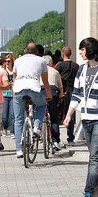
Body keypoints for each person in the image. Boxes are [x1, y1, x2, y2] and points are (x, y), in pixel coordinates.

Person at [63, 37, 98, 197]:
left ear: (90, 50)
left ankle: (89, 191)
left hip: (97, 119)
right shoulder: (81, 70)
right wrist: (69, 115)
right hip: (85, 119)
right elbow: (76, 95)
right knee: (94, 156)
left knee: (94, 158)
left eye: (82, 49)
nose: (80, 52)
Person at [13, 43, 52, 158]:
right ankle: (36, 126)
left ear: (25, 51)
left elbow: (15, 78)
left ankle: (19, 150)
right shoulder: (41, 61)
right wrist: (48, 94)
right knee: (41, 105)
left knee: (18, 119)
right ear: (37, 52)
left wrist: (13, 93)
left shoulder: (18, 61)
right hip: (33, 89)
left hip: (18, 90)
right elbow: (45, 81)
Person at [55, 46, 79, 146]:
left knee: (58, 113)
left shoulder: (59, 66)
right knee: (71, 114)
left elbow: (55, 77)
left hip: (62, 91)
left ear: (62, 54)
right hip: (72, 91)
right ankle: (70, 138)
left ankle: (57, 138)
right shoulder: (76, 66)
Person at [41, 55, 64, 151]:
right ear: (51, 63)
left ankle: (37, 130)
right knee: (54, 119)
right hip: (53, 94)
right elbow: (61, 87)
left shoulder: (39, 71)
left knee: (38, 114)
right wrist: (61, 96)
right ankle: (55, 141)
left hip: (41, 93)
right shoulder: (55, 71)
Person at [2, 54, 15, 139]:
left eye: (8, 61)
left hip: (13, 94)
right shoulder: (2, 71)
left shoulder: (15, 71)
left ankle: (12, 132)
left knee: (12, 115)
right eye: (6, 61)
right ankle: (4, 128)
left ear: (12, 62)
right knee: (4, 116)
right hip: (4, 94)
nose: (7, 63)